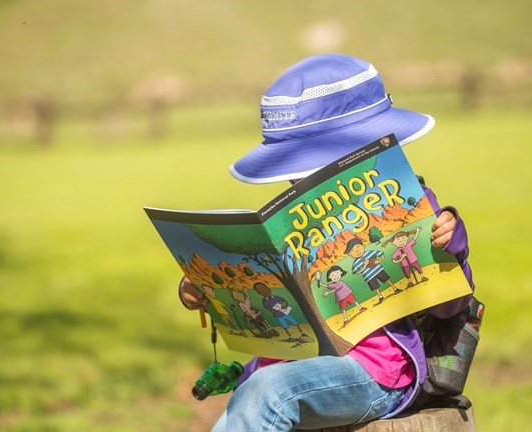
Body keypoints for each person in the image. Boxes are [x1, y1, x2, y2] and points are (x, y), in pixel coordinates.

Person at [178, 54, 475, 431]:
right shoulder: (287, 224)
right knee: (258, 393)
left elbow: (451, 307)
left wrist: (452, 246)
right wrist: (204, 290)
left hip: (375, 371)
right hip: (284, 367)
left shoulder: (409, 203)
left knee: (267, 392)